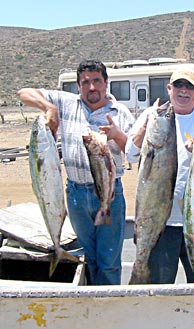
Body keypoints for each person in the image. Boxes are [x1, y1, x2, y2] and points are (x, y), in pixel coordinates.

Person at [18, 59, 135, 285]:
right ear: (78, 85)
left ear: (106, 83)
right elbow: (23, 92)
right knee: (89, 258)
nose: (92, 87)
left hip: (110, 195)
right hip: (75, 194)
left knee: (109, 260)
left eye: (97, 81)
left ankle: (108, 309)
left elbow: (134, 154)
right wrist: (49, 108)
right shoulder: (65, 102)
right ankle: (90, 303)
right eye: (85, 82)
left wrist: (117, 135)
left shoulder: (120, 112)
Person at [125, 70, 194, 284]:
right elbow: (130, 154)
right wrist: (145, 125)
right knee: (160, 284)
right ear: (169, 89)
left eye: (189, 87)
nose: (184, 91)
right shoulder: (153, 115)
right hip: (160, 222)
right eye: (178, 86)